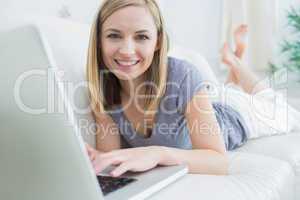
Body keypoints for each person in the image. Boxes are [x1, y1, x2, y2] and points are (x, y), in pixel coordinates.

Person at [84, 0, 297, 178]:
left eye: (141, 36)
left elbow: (218, 163)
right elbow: (111, 159)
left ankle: (235, 62)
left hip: (237, 115)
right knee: (229, 89)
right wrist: (95, 160)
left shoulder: (182, 74)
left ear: (157, 41)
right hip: (208, 103)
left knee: (278, 106)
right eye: (114, 35)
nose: (127, 50)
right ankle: (234, 61)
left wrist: (158, 153)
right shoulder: (103, 89)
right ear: (99, 41)